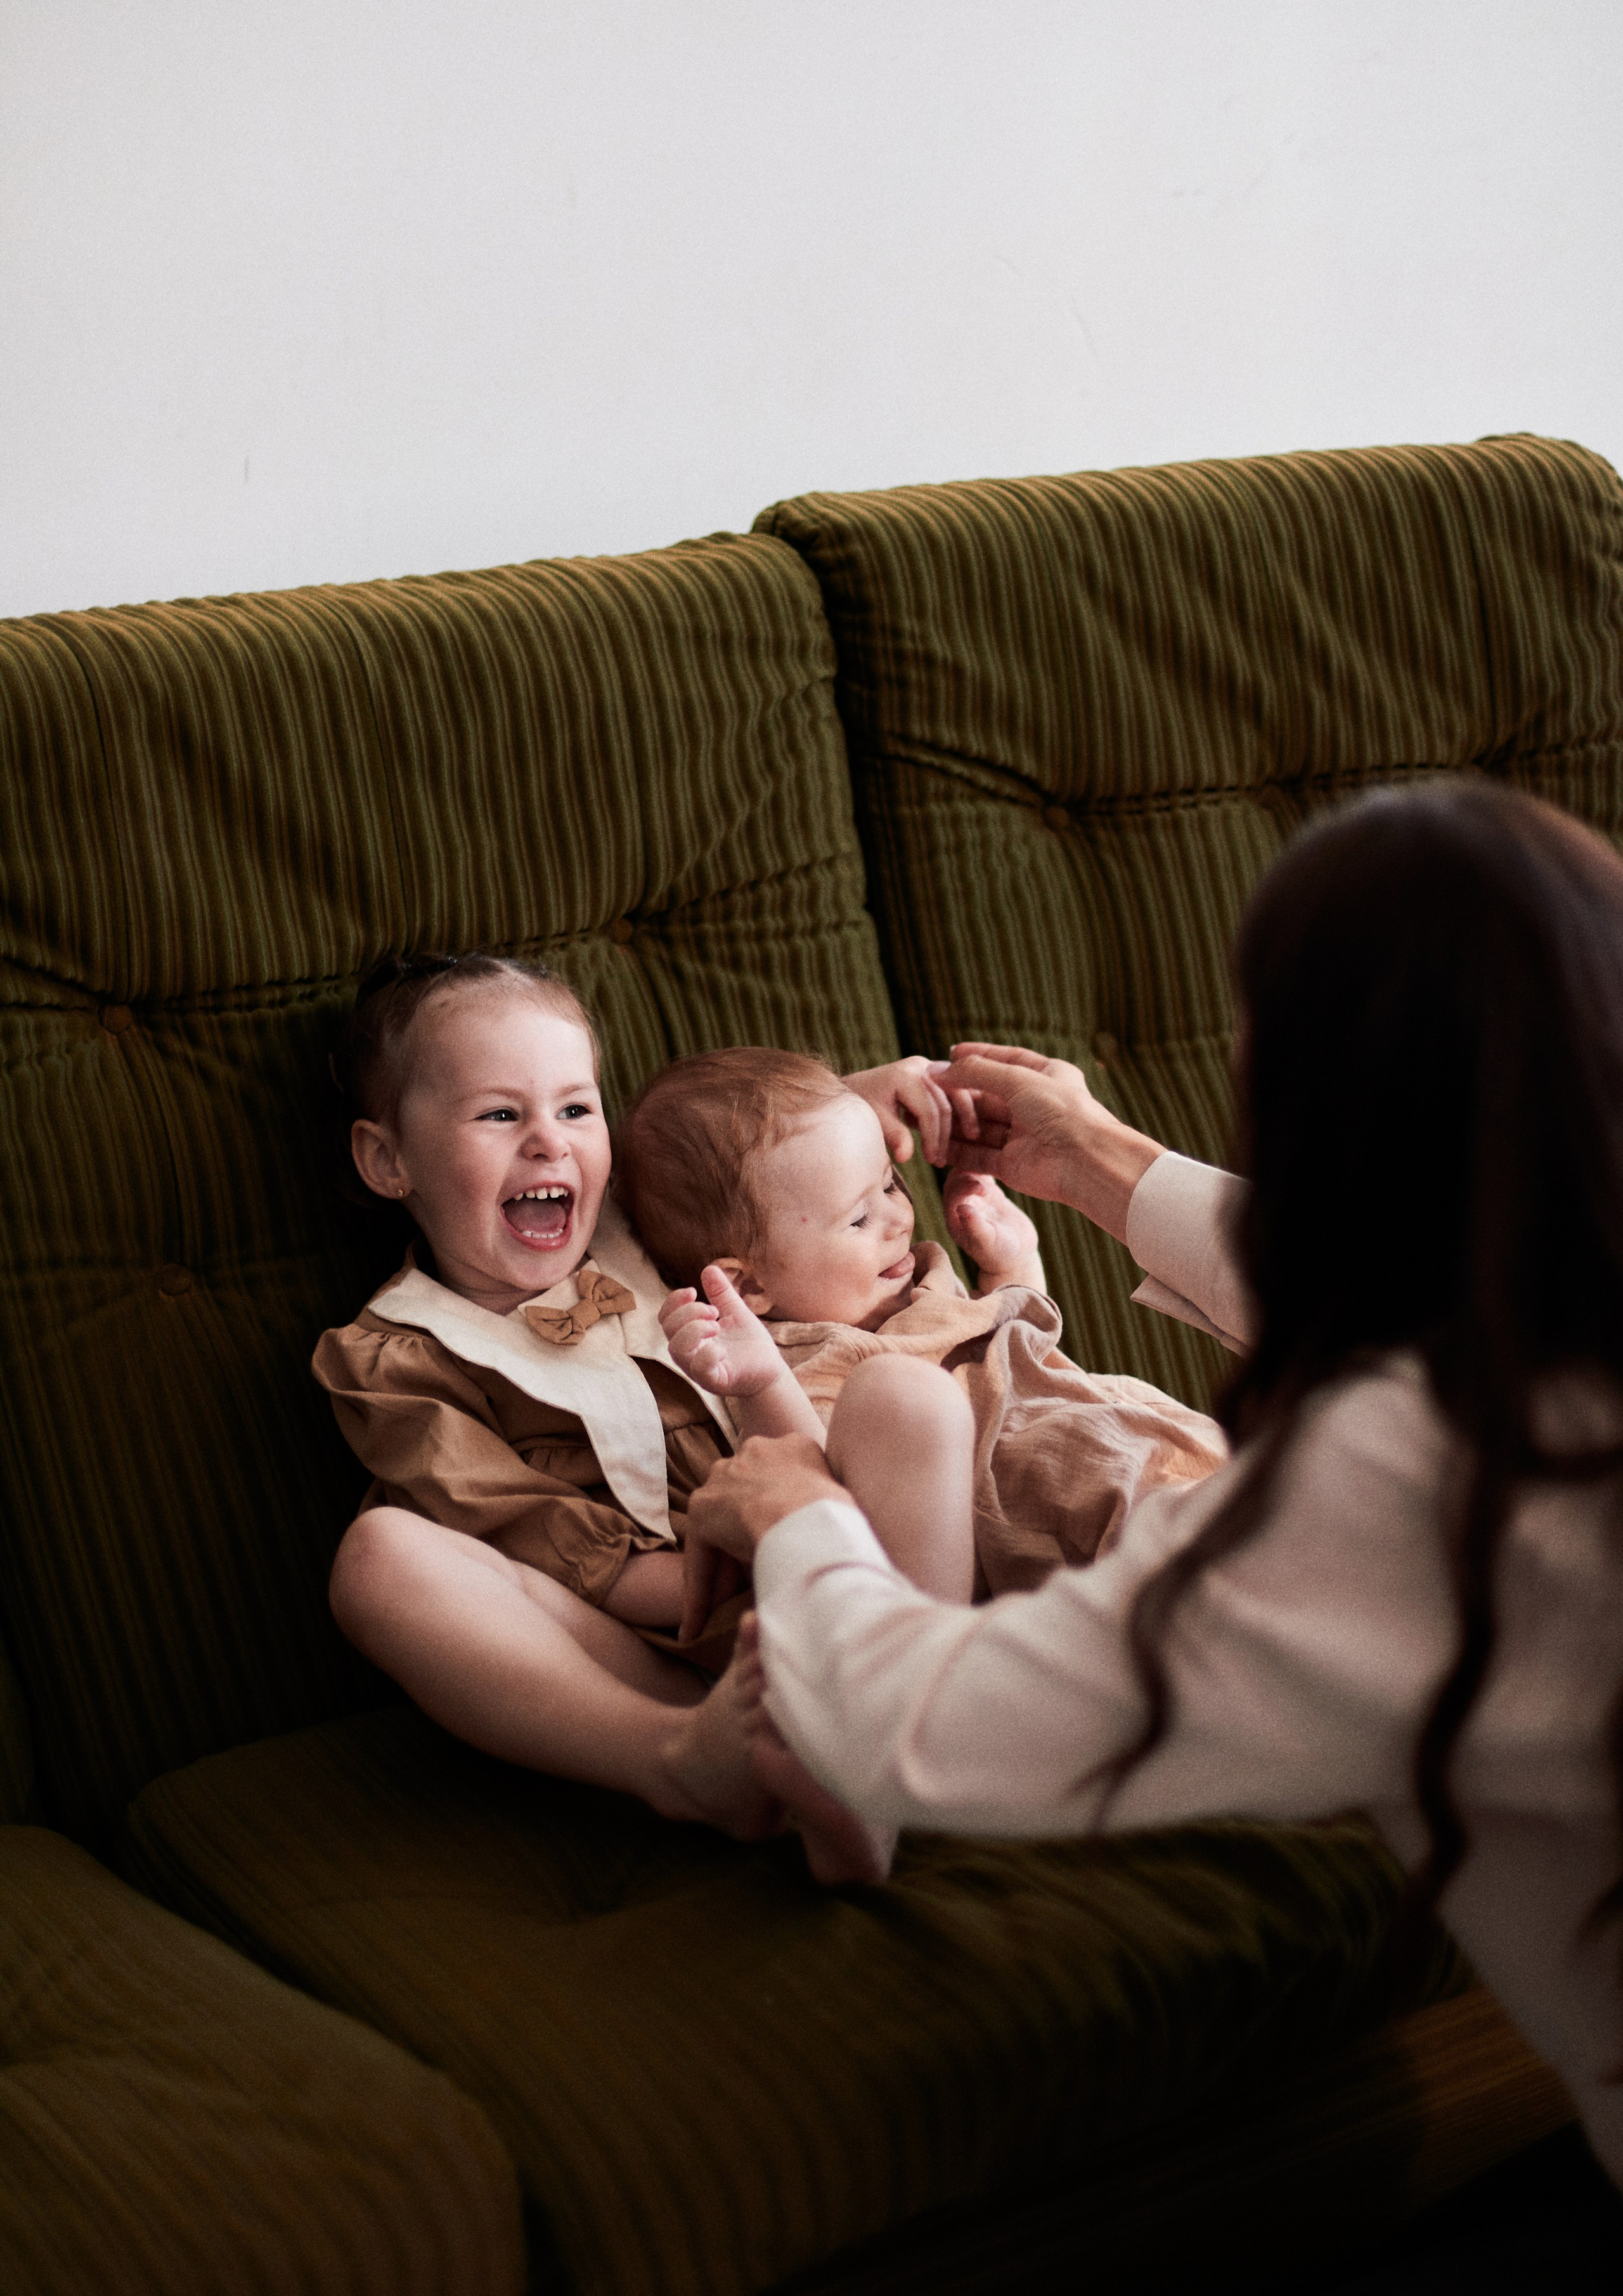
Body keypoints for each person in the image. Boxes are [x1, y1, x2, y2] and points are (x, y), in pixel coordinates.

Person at [685, 782, 1623, 2186]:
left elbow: (916, 1726)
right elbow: (1417, 1292)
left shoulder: (1403, 1487)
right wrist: (1097, 1161)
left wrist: (798, 1511)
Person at [313, 949, 956, 1879]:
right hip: (652, 1648)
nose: (551, 1143)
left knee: (911, 1397)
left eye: (577, 1109)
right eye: (501, 1115)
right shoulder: (393, 1356)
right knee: (378, 1559)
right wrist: (719, 1585)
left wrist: (868, 1095)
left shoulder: (633, 1225)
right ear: (388, 1159)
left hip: (825, 1564)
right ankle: (690, 1767)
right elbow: (511, 1524)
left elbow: (735, 1151)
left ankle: (906, 1731)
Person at [611, 1046, 1224, 1610]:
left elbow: (1020, 1352)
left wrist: (1014, 1263)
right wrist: (762, 1382)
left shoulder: (914, 1282)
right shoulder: (817, 1361)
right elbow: (815, 1487)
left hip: (1172, 1450)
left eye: (890, 1184)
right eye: (858, 1218)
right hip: (1100, 1530)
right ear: (749, 1288)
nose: (898, 1218)